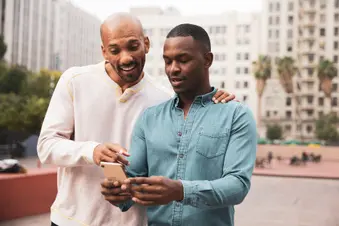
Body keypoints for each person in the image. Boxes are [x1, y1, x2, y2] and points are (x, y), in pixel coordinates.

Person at [37, 13, 235, 226]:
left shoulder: (165, 98)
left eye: (133, 46)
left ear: (146, 44)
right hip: (70, 220)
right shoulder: (74, 81)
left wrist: (216, 101)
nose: (126, 58)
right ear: (104, 51)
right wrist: (91, 151)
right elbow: (46, 147)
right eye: (115, 50)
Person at [101, 23, 257, 226]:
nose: (173, 69)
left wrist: (181, 191)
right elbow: (134, 180)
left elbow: (237, 186)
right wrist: (118, 192)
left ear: (207, 60)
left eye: (183, 60)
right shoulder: (149, 118)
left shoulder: (237, 115)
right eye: (168, 61)